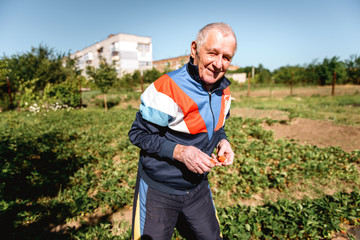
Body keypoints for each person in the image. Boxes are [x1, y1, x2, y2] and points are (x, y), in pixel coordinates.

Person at [128, 22, 237, 240]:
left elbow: (218, 127)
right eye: (212, 53)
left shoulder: (223, 89)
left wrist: (222, 141)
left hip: (198, 189)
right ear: (194, 49)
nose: (218, 64)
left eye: (226, 57)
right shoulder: (166, 88)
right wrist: (180, 152)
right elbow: (138, 134)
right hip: (159, 190)